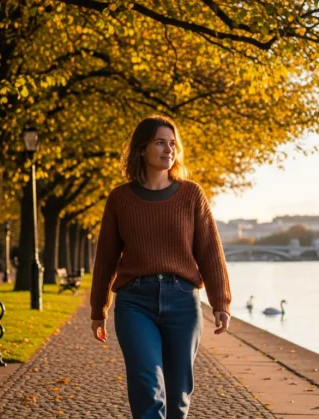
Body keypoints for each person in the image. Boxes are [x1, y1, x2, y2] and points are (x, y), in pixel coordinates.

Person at [90, 115, 232, 419]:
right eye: (159, 142)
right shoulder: (120, 199)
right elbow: (106, 258)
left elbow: (210, 251)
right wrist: (98, 309)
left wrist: (221, 302)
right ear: (142, 149)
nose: (169, 149)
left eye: (172, 144)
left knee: (179, 391)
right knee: (146, 386)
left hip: (182, 300)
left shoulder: (192, 194)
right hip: (134, 303)